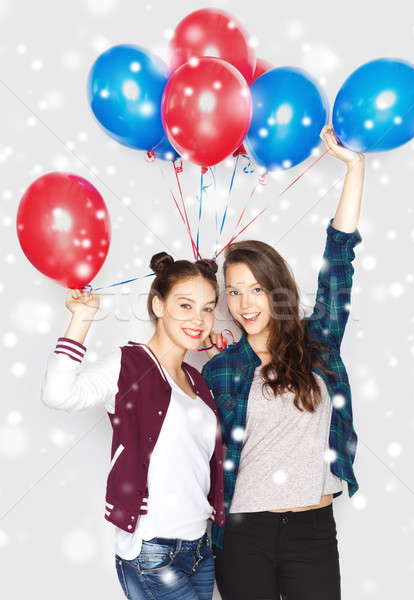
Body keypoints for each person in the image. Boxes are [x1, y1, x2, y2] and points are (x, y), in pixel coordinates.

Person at [201, 125, 365, 600]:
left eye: (255, 289)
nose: (244, 302)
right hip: (243, 532)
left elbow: (340, 259)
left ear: (277, 290)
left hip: (312, 529)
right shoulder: (221, 369)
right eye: (233, 291)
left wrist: (354, 168)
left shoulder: (318, 343)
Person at [41, 254, 225, 600]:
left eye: (207, 308)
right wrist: (82, 318)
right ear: (158, 305)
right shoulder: (130, 364)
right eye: (185, 305)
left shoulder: (197, 381)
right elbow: (58, 394)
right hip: (153, 551)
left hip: (200, 549)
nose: (198, 320)